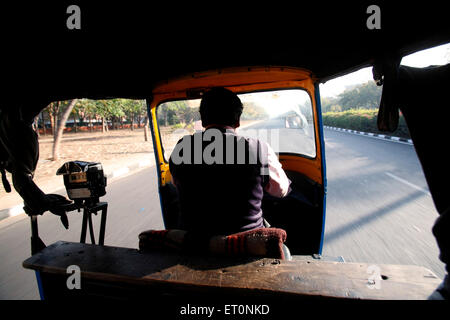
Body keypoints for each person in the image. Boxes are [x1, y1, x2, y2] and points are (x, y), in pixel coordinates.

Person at [169, 87, 291, 236]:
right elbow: (280, 190)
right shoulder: (258, 149)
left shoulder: (182, 147)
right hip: (245, 245)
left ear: (203, 119)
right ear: (238, 120)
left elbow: (176, 184)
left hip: (193, 244)